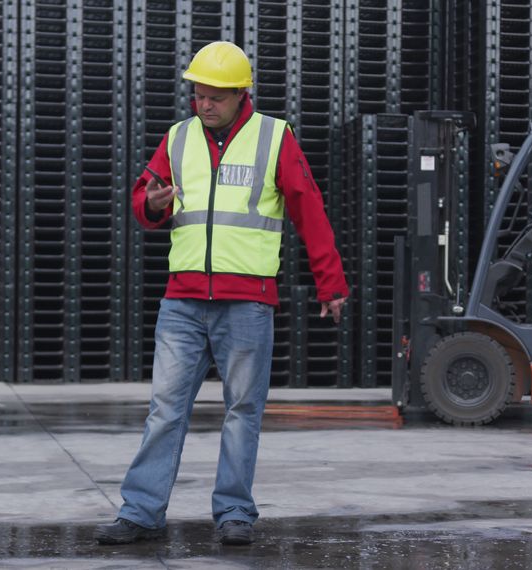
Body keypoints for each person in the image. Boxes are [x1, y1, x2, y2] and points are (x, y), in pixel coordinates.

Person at [95, 41, 348, 546]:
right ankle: (140, 512)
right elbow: (142, 203)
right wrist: (154, 202)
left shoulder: (275, 138)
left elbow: (309, 211)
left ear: (239, 95)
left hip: (247, 304)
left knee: (241, 412)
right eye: (197, 95)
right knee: (165, 409)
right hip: (182, 301)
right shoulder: (177, 138)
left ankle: (234, 512)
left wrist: (331, 283)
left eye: (214, 96)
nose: (203, 104)